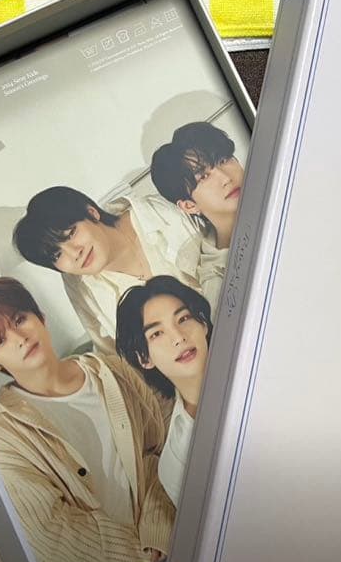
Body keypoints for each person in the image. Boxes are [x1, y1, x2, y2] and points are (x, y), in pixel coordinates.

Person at [0, 278, 175, 562]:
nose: (20, 338)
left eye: (19, 320)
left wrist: (158, 534)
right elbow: (50, 527)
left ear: (41, 317)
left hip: (169, 546)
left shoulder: (112, 370)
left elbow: (158, 451)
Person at [13, 186, 201, 353]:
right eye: (57, 255)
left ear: (92, 213)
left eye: (71, 234)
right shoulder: (78, 285)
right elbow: (112, 352)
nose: (74, 253)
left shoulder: (155, 214)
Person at [116, 276, 213, 507]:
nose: (179, 337)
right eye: (156, 334)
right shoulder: (176, 462)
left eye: (183, 318)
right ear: (144, 358)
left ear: (203, 323)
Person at [150, 122, 246, 309]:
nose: (226, 178)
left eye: (223, 160)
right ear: (189, 206)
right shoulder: (218, 284)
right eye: (203, 176)